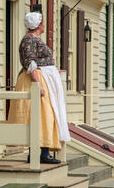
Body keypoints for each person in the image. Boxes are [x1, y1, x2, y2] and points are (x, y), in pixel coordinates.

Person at [8, 12, 71, 164]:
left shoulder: (34, 39)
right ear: (38, 25)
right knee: (41, 115)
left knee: (45, 116)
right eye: (42, 22)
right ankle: (40, 154)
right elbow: (29, 62)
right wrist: (39, 85)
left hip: (43, 78)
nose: (44, 25)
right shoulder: (28, 39)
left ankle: (43, 152)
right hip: (36, 80)